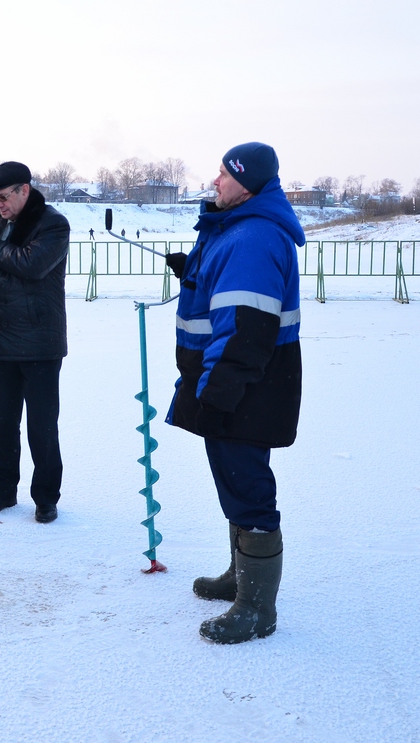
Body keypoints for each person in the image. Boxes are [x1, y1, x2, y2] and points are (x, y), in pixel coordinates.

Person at [165, 142, 303, 644]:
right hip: (231, 378)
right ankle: (239, 577)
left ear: (248, 183)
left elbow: (247, 326)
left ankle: (257, 609)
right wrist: (196, 274)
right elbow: (229, 296)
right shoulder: (236, 230)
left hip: (243, 383)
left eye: (224, 174)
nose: (215, 180)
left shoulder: (252, 236)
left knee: (248, 487)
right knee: (233, 480)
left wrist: (218, 392)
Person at [0, 162, 70, 524]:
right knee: (1, 425)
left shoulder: (52, 223)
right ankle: (3, 491)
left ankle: (45, 498)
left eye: (4, 197)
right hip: (2, 340)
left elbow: (32, 264)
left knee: (42, 427)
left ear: (25, 189)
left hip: (40, 342)